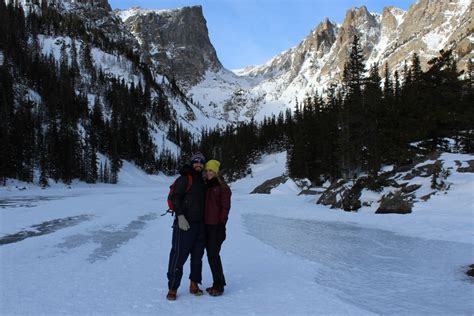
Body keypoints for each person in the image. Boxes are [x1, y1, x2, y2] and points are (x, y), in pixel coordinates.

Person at [166, 152, 207, 301]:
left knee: (197, 257)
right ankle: (173, 287)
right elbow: (175, 197)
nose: (198, 164)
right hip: (184, 225)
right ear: (191, 163)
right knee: (178, 256)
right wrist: (181, 216)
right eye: (196, 161)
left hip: (200, 225)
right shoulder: (185, 179)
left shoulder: (202, 181)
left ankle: (194, 284)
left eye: (201, 162)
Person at [203, 159, 231, 296]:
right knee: (211, 256)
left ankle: (219, 286)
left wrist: (221, 226)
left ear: (216, 172)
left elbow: (225, 208)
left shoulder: (223, 188)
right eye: (207, 170)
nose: (208, 173)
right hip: (206, 226)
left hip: (216, 227)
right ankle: (217, 283)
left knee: (213, 256)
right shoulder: (206, 185)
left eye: (211, 170)